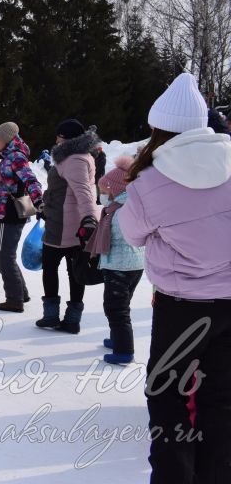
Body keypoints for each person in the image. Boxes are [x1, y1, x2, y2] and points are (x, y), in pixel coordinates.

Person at [118, 73, 231, 482]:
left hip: (181, 306)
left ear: (160, 128)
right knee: (219, 399)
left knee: (169, 400)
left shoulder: (150, 180)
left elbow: (131, 234)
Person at [37, 119, 101, 334]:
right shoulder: (77, 157)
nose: (56, 139)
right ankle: (69, 319)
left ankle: (55, 316)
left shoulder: (74, 160)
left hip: (64, 225)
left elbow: (84, 193)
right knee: (73, 271)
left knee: (52, 268)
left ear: (66, 139)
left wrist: (89, 220)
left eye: (59, 136)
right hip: (65, 222)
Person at [0, 122, 43, 312]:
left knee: (4, 255)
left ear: (5, 139)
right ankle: (21, 293)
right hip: (8, 212)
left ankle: (14, 299)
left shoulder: (15, 157)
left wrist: (39, 202)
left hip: (11, 214)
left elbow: (31, 181)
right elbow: (3, 191)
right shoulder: (10, 157)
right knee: (5, 255)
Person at [88, 155, 144, 364]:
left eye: (105, 191)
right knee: (121, 304)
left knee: (116, 308)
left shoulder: (121, 212)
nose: (103, 195)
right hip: (132, 264)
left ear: (116, 188)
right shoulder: (124, 206)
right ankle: (116, 338)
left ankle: (124, 350)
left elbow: (125, 236)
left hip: (121, 264)